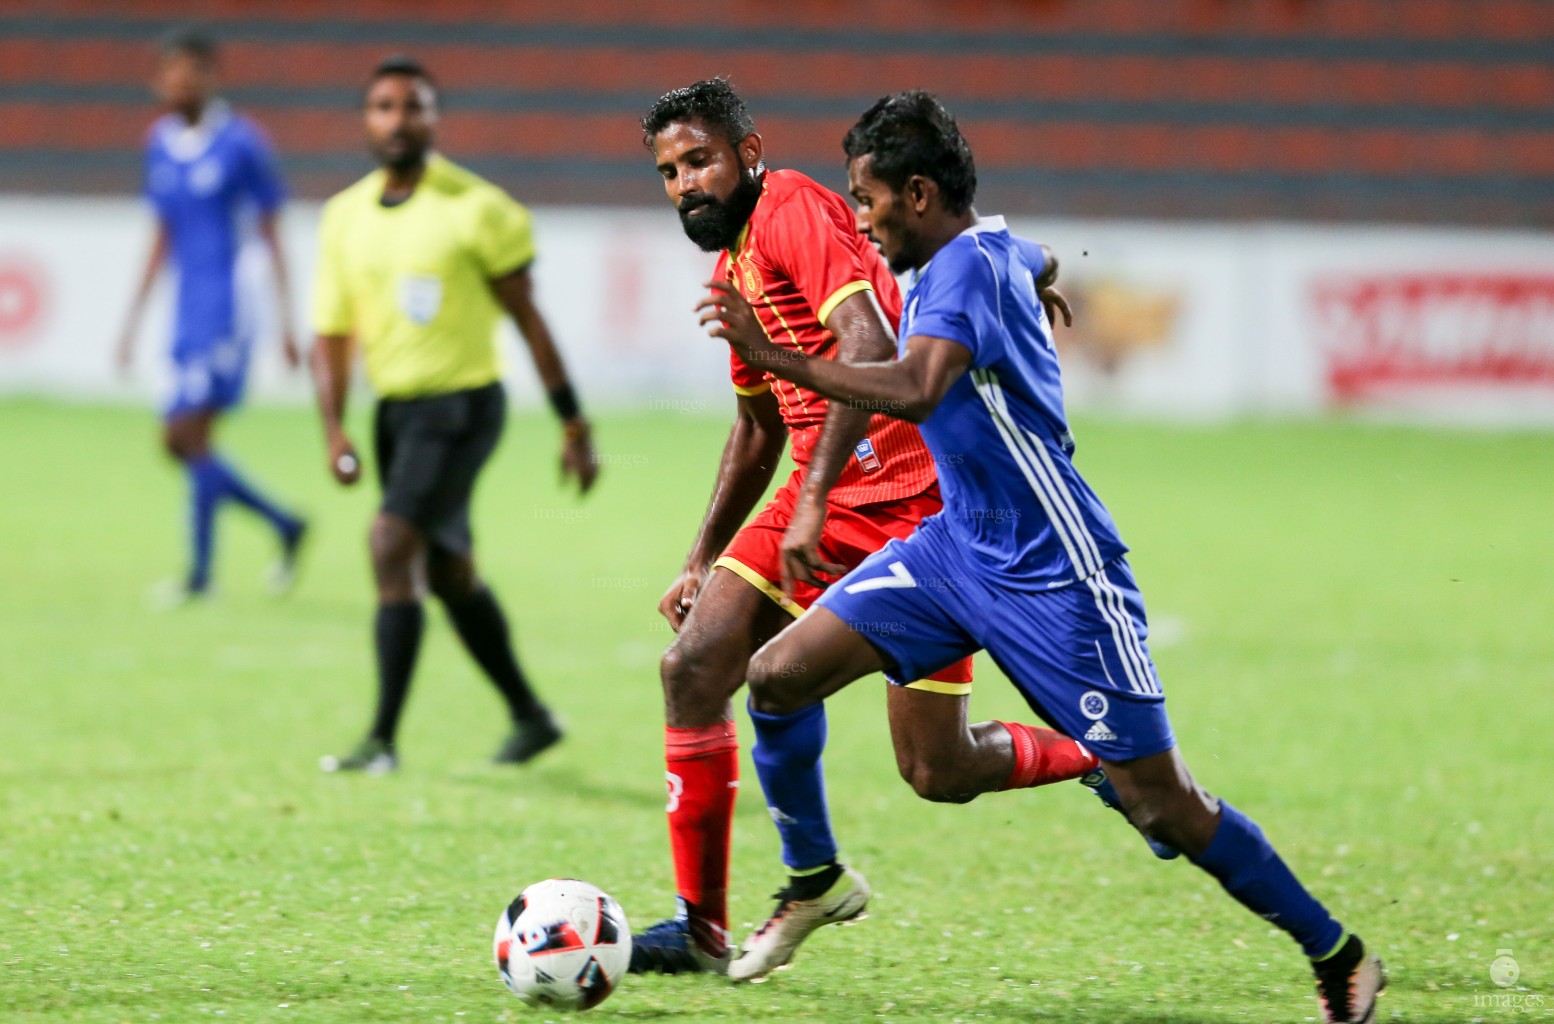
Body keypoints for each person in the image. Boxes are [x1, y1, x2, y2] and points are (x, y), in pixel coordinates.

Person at [697, 90, 1386, 1022]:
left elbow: (914, 384)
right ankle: (812, 878)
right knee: (775, 677)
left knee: (1166, 807)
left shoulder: (958, 275)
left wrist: (776, 357)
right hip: (951, 550)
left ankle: (1337, 953)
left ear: (922, 193)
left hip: (1056, 572)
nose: (861, 219)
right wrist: (1044, 276)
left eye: (870, 199)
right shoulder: (983, 252)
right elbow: (1033, 251)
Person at [631, 79, 1114, 981]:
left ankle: (1098, 752)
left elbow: (865, 347)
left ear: (749, 151)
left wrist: (813, 497)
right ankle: (720, 919)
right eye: (668, 171)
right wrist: (700, 557)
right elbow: (759, 424)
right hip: (824, 482)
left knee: (939, 769)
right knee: (695, 667)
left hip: (914, 500)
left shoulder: (792, 210)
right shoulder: (730, 266)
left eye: (699, 159)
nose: (685, 184)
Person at [308, 56, 597, 774]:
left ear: (434, 119)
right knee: (446, 571)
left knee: (388, 544)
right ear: (365, 119)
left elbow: (529, 320)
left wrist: (571, 422)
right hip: (397, 412)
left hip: (463, 406)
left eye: (414, 106)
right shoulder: (343, 218)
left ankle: (380, 741)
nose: (398, 119)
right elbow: (332, 335)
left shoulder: (478, 209)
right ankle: (531, 717)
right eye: (384, 106)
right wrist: (335, 430)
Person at [116, 26, 306, 604]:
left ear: (210, 75)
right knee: (181, 443)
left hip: (230, 305)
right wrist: (131, 322)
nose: (175, 81)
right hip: (185, 309)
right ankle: (281, 525)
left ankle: (202, 576)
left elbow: (273, 232)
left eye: (187, 70)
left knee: (186, 433)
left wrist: (286, 322)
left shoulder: (242, 143)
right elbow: (161, 236)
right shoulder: (160, 143)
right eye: (167, 71)